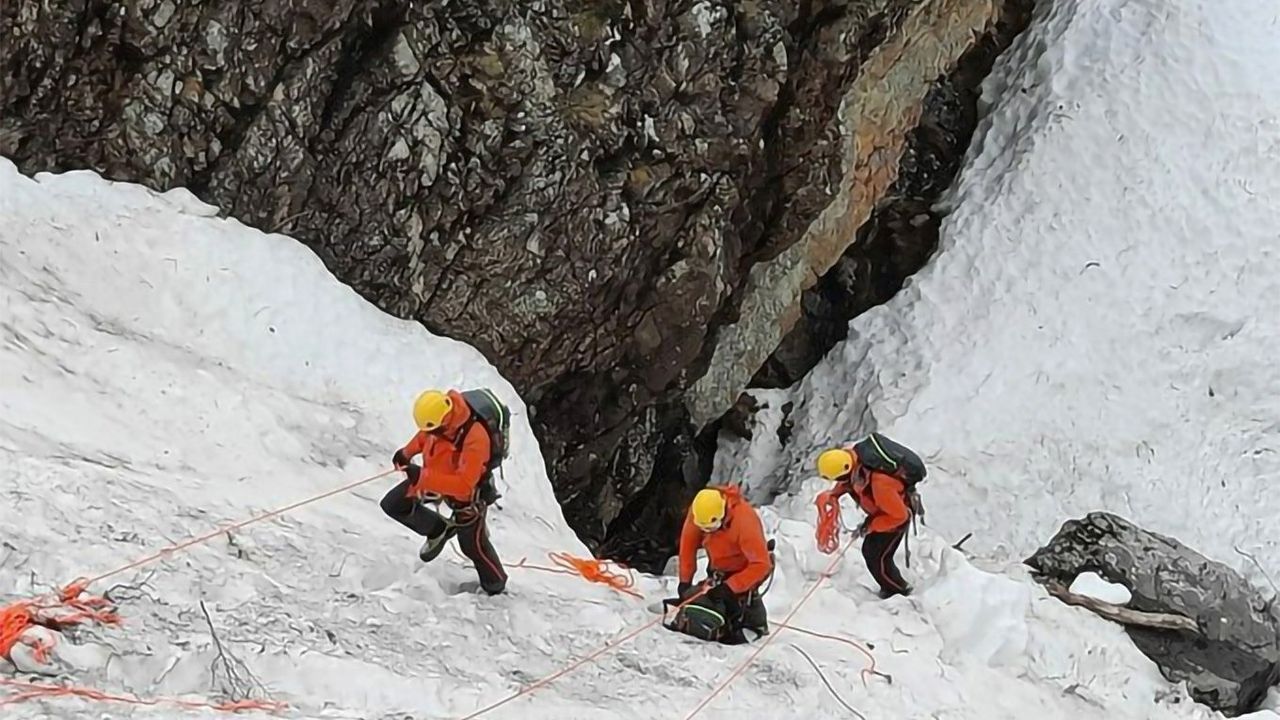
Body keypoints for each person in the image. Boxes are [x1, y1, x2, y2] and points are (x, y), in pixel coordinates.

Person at [381, 389, 507, 595]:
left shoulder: (475, 438)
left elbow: (464, 484)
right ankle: (438, 529)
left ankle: (495, 584)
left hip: (467, 499)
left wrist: (422, 477)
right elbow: (425, 435)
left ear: (444, 421)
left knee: (472, 547)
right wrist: (407, 453)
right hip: (435, 478)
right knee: (394, 504)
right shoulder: (442, 423)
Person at [675, 485, 773, 642]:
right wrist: (684, 582)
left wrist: (731, 587)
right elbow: (688, 548)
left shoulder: (744, 522)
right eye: (703, 528)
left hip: (746, 568)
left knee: (742, 608)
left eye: (711, 527)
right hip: (718, 565)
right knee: (712, 599)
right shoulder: (699, 513)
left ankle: (752, 623)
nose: (707, 531)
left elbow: (761, 565)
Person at [816, 446, 913, 598]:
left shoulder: (880, 483)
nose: (838, 481)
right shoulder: (856, 465)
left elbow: (899, 516)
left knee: (875, 555)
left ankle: (897, 590)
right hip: (883, 513)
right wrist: (833, 494)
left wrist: (871, 525)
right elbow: (846, 483)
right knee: (875, 553)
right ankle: (895, 586)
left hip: (894, 519)